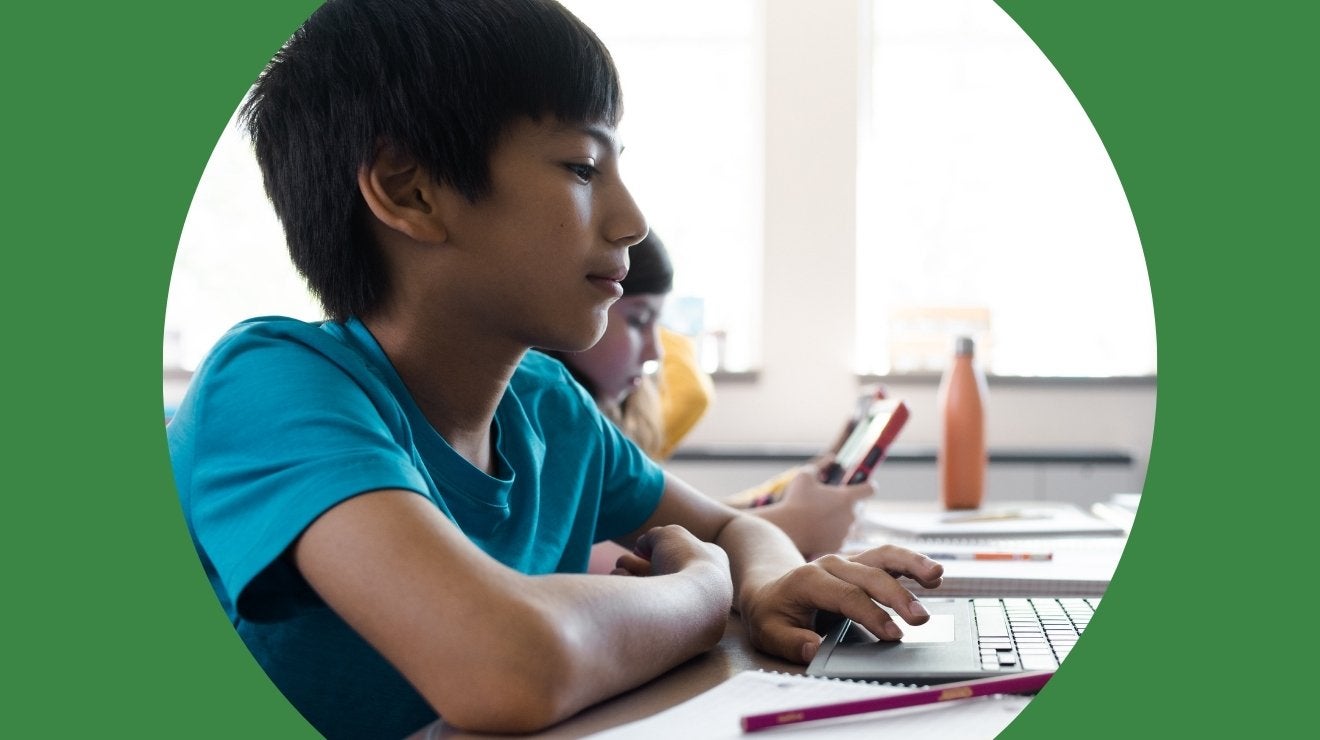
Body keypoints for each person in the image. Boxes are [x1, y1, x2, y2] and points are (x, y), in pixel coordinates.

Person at [166, 1, 943, 737]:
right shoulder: (268, 385)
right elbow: (503, 664)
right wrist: (707, 590)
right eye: (581, 166)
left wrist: (767, 580)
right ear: (411, 191)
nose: (633, 221)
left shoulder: (544, 404)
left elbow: (733, 526)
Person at [548, 230, 876, 562]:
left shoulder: (594, 430)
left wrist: (792, 496)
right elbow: (620, 564)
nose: (656, 352)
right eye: (638, 319)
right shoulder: (552, 415)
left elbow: (702, 519)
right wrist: (791, 527)